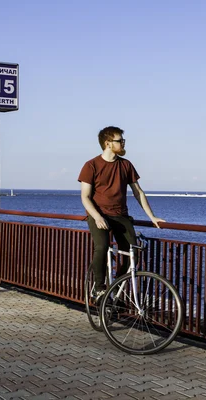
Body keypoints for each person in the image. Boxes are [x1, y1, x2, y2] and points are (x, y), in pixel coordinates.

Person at [78, 126, 165, 299]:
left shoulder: (126, 165)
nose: (123, 143)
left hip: (121, 215)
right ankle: (99, 287)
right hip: (99, 215)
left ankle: (117, 287)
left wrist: (152, 216)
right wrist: (96, 216)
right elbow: (85, 197)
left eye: (123, 140)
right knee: (102, 246)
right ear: (108, 143)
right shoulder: (91, 165)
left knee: (133, 251)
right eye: (120, 141)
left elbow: (138, 192)